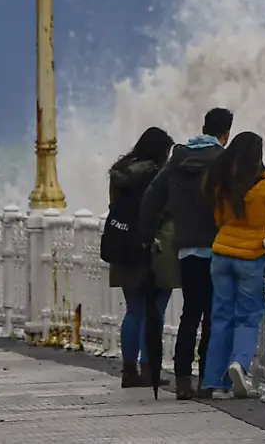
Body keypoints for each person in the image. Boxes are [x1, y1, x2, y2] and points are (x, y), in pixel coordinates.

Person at [139, 107, 232, 400]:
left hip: (187, 247)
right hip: (219, 247)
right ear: (225, 134)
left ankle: (182, 380)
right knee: (213, 315)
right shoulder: (223, 160)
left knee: (190, 312)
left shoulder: (176, 160)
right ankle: (207, 377)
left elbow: (151, 198)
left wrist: (147, 235)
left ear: (204, 127)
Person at [201, 131, 265, 400]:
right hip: (250, 258)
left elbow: (219, 220)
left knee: (220, 317)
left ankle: (214, 380)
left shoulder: (221, 183)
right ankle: (239, 364)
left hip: (221, 254)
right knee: (248, 316)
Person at [104, 126, 176, 389]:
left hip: (124, 247)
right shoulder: (159, 175)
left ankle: (128, 371)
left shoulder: (120, 173)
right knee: (155, 309)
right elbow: (166, 211)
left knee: (134, 310)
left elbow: (114, 207)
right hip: (152, 248)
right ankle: (149, 369)